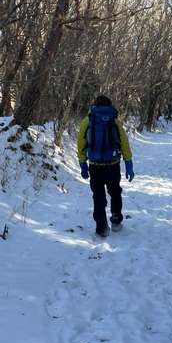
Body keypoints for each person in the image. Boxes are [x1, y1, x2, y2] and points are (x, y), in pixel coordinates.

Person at [77, 96, 135, 237]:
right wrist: (129, 164)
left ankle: (101, 227)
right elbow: (124, 143)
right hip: (112, 165)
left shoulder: (87, 121)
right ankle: (116, 220)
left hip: (95, 166)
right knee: (115, 192)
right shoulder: (114, 121)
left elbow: (81, 144)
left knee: (98, 196)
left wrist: (83, 164)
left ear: (95, 105)